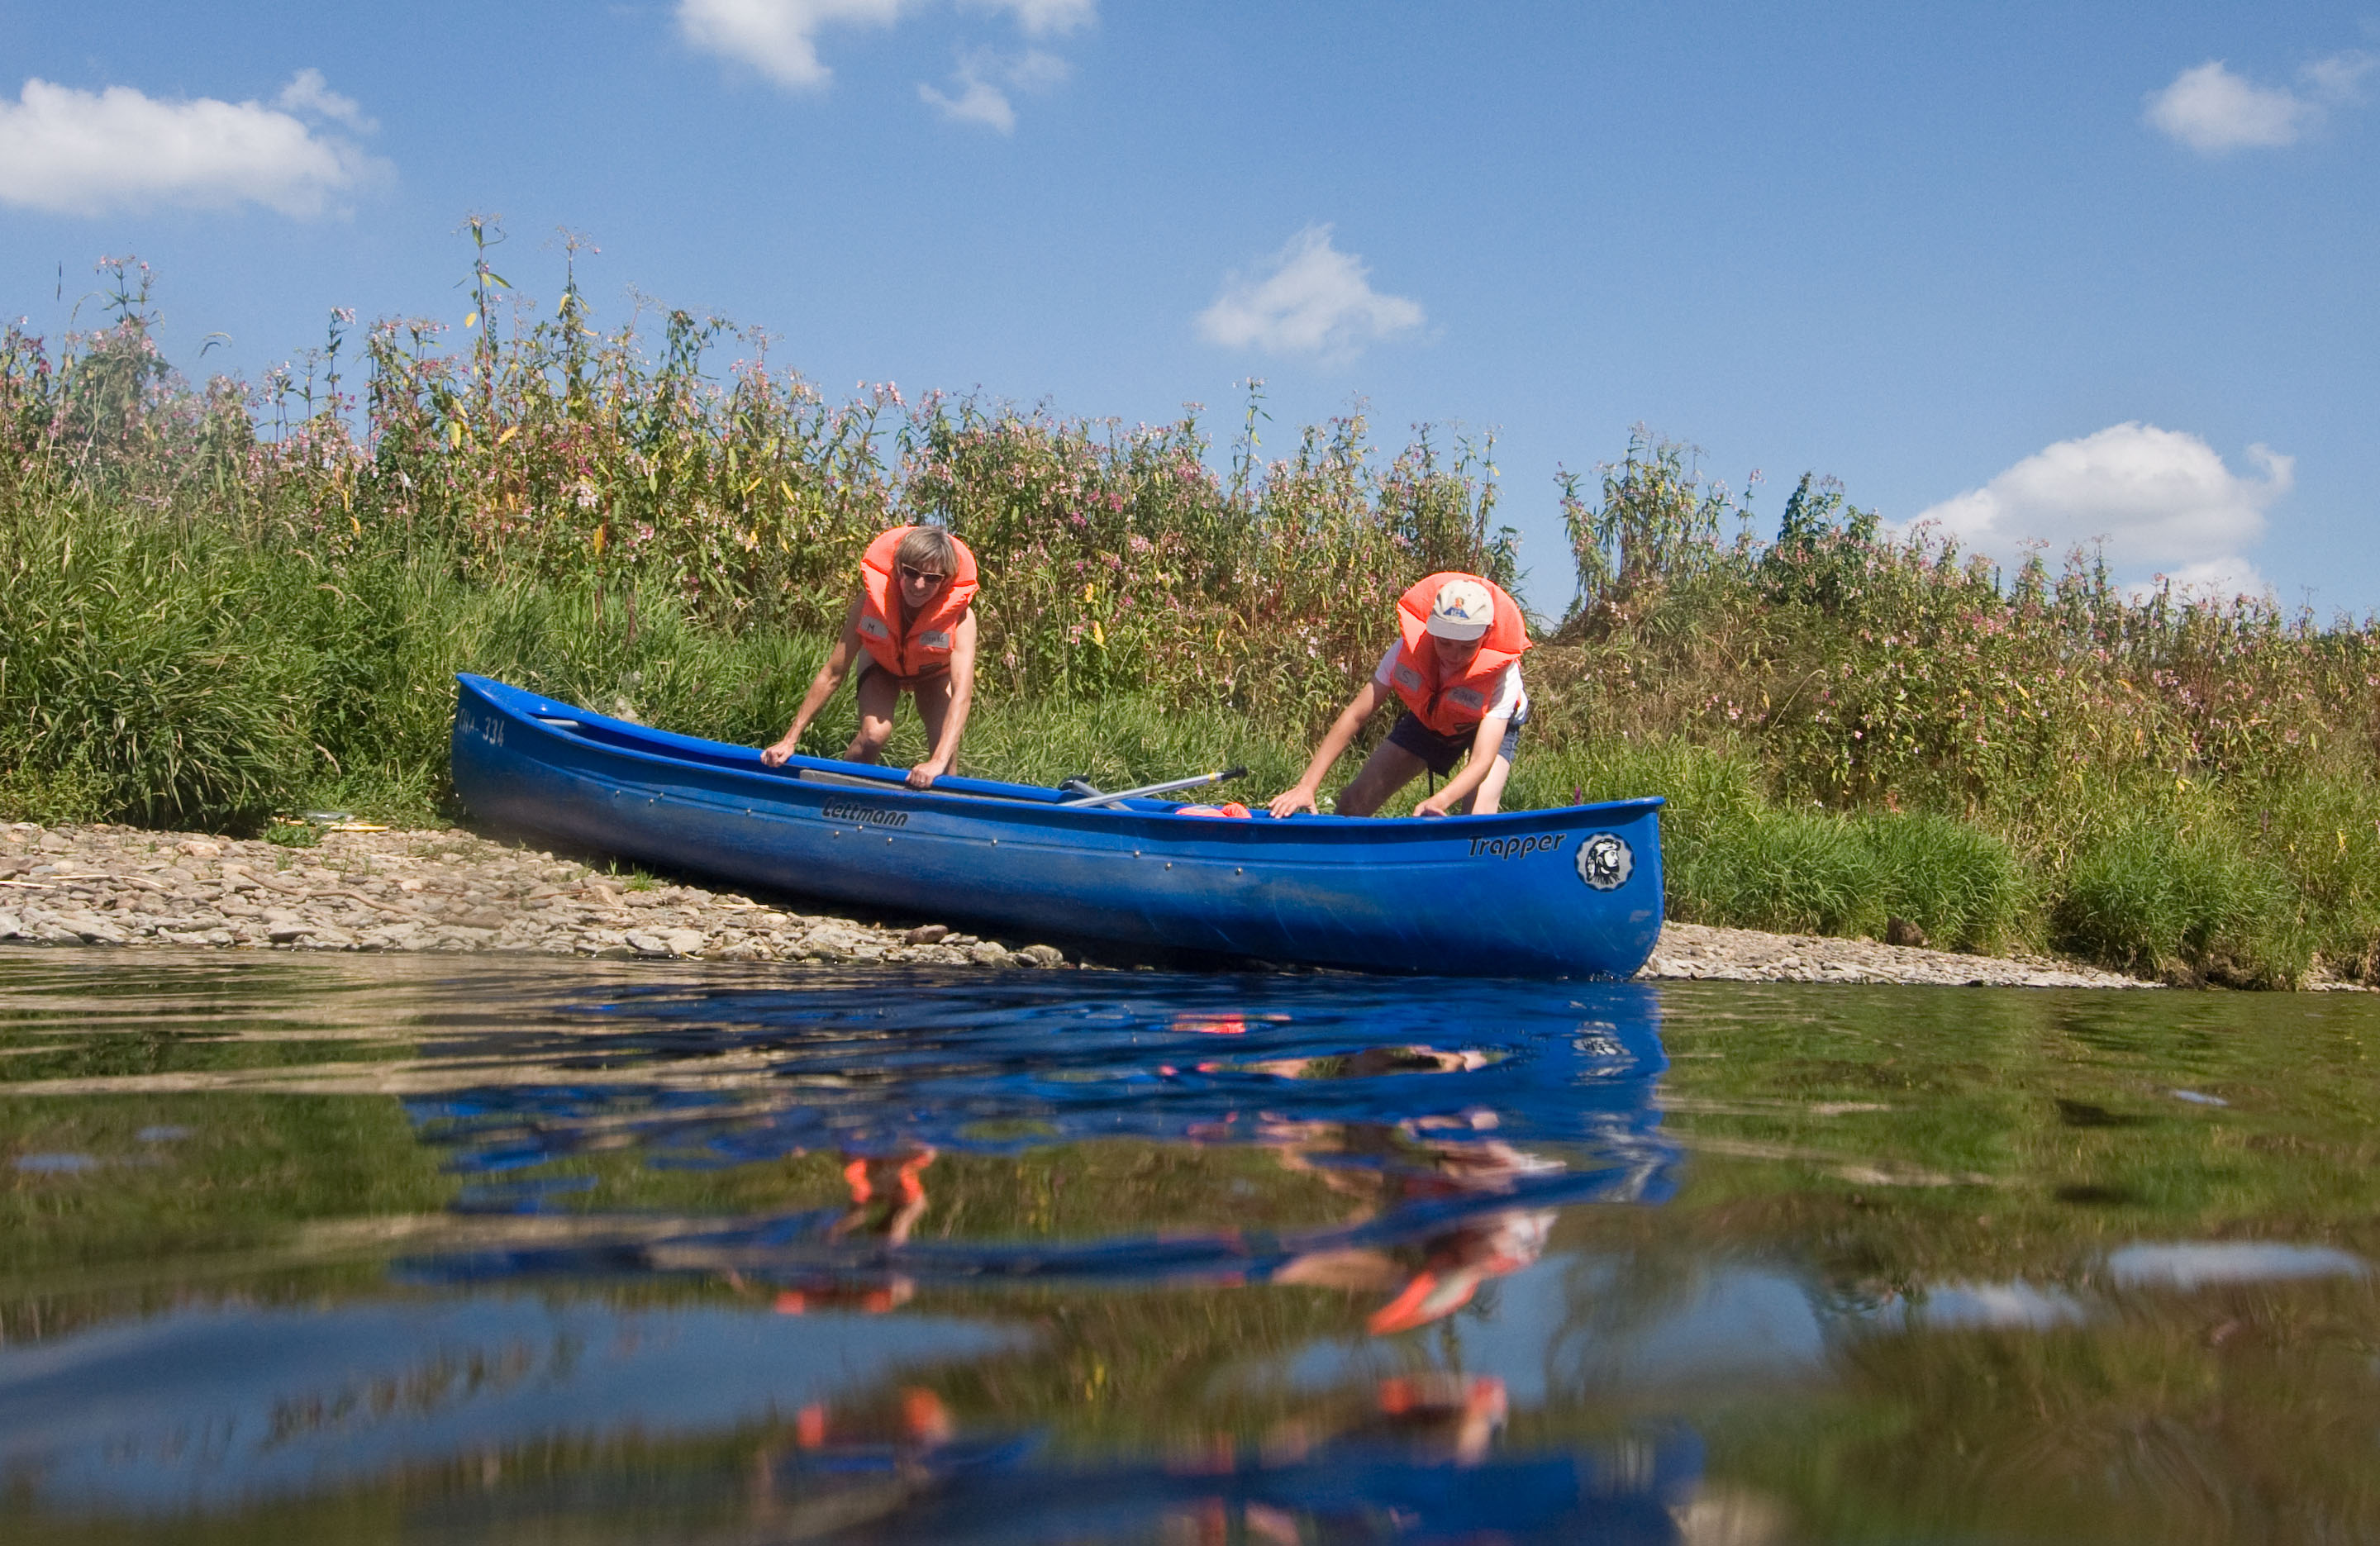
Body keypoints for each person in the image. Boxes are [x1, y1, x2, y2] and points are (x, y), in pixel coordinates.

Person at [1268, 573, 1531, 819]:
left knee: (1477, 820)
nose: (1454, 655)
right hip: (1432, 717)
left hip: (1491, 725)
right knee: (1353, 802)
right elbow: (1356, 715)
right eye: (1445, 642)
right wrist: (1307, 785)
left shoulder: (1503, 675)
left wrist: (1440, 800)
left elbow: (1481, 760)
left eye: (1467, 646)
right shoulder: (1406, 649)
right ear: (1430, 628)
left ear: (1486, 634)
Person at [761, 525, 978, 789]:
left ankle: (935, 821)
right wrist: (790, 739)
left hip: (932, 673)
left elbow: (962, 695)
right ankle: (840, 797)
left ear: (945, 580)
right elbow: (833, 673)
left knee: (945, 762)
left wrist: (938, 761)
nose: (919, 585)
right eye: (911, 573)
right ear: (898, 568)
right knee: (874, 735)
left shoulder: (962, 618)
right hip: (881, 664)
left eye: (932, 578)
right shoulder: (869, 601)